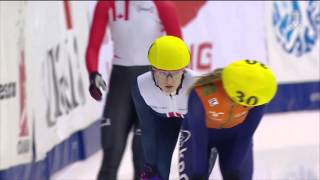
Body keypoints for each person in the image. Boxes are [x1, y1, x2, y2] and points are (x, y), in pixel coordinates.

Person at [85, 1, 182, 180]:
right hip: (120, 85)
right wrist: (93, 75)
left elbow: (178, 48)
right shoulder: (106, 4)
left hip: (151, 86)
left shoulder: (162, 5)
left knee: (143, 159)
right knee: (111, 154)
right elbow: (92, 46)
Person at [179, 60, 278, 180]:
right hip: (199, 135)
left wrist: (233, 170)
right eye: (239, 103)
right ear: (228, 91)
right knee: (195, 173)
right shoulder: (201, 93)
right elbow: (198, 139)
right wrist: (198, 173)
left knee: (238, 174)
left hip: (234, 137)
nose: (245, 108)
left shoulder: (259, 94)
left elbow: (246, 135)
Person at [131, 36, 198, 180]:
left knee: (193, 172)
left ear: (184, 70)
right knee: (156, 171)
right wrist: (150, 165)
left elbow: (206, 133)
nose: (169, 80)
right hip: (163, 124)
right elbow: (148, 128)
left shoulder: (198, 86)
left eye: (175, 73)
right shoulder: (141, 86)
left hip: (194, 126)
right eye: (162, 73)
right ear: (152, 70)